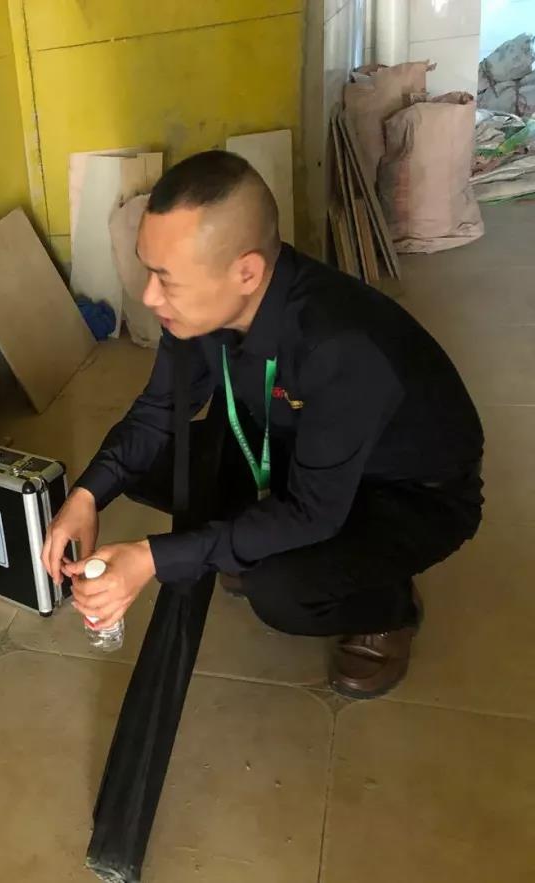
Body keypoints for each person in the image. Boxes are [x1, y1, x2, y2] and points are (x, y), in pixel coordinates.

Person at [43, 151, 483, 699]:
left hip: (407, 491)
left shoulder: (339, 346)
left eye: (166, 280)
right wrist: (86, 496)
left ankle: (389, 608)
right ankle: (245, 541)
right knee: (149, 464)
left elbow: (312, 511)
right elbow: (157, 412)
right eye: (147, 269)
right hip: (297, 445)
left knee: (279, 590)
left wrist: (152, 558)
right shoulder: (197, 312)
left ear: (246, 272)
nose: (149, 296)